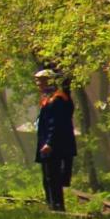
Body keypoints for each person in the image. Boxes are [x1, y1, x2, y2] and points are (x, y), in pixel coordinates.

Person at [33, 70, 76, 211]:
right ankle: (51, 205)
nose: (38, 84)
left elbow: (55, 124)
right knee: (48, 178)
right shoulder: (49, 98)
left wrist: (49, 143)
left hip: (54, 146)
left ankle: (57, 206)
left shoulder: (57, 100)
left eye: (41, 81)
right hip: (49, 144)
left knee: (53, 178)